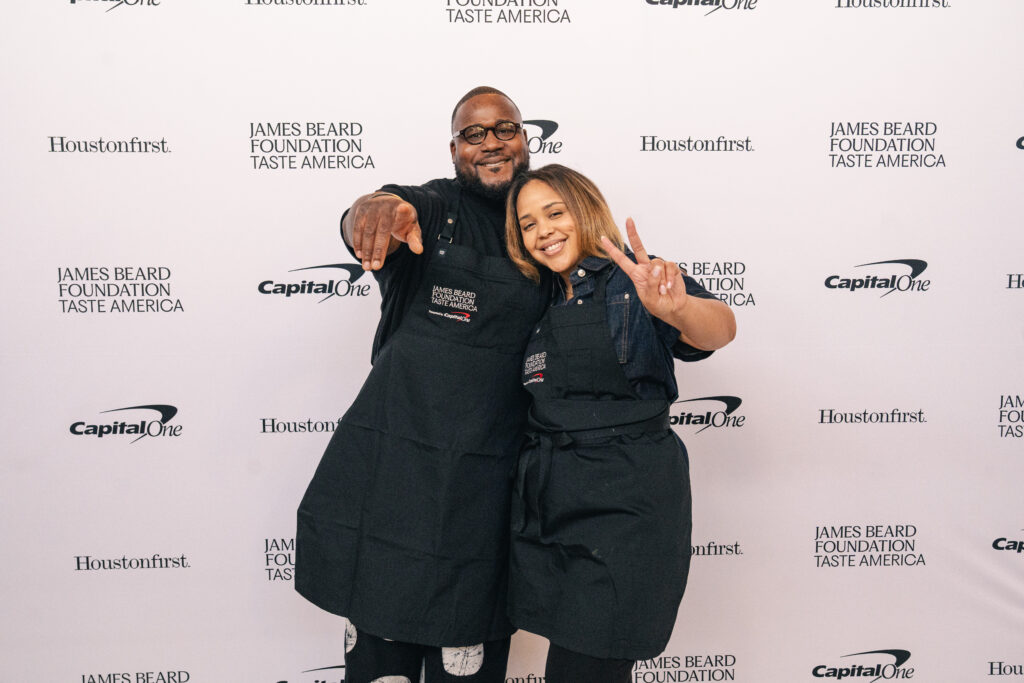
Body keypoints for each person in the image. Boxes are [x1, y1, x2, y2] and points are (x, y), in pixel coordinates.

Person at [294, 87, 549, 683]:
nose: (491, 143)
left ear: (525, 137)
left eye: (504, 128)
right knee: (382, 665)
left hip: (485, 488)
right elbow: (382, 208)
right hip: (393, 476)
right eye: (473, 133)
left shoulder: (544, 226)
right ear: (455, 147)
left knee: (470, 660)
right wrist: (371, 211)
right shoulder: (433, 209)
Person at [503, 164, 736, 683]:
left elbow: (719, 327)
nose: (544, 231)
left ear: (585, 211)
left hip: (626, 505)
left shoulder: (636, 279)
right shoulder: (536, 300)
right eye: (527, 224)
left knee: (586, 667)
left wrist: (676, 309)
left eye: (555, 213)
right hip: (553, 504)